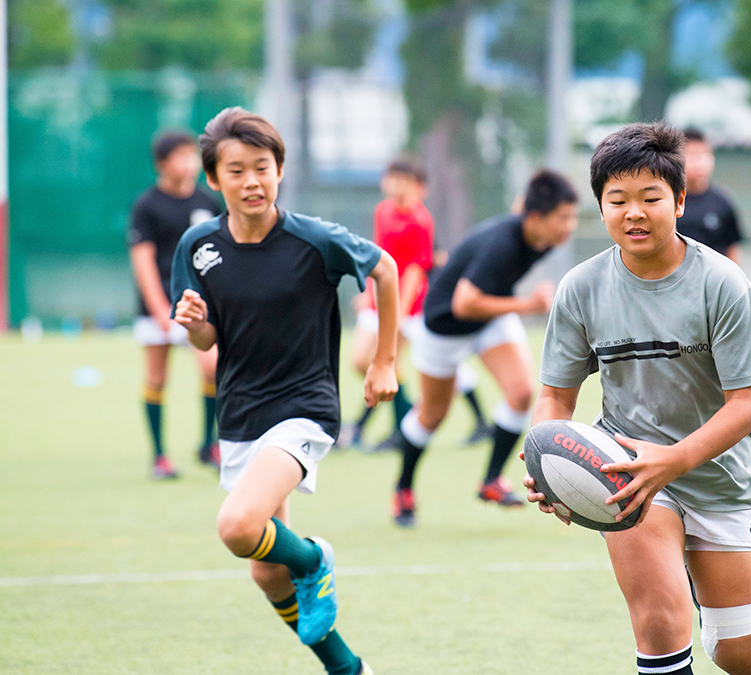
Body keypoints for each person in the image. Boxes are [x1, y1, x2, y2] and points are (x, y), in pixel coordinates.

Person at [525, 122, 751, 675]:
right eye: (617, 200)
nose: (632, 212)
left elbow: (748, 404)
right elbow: (554, 396)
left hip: (719, 475)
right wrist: (545, 459)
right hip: (627, 475)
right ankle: (669, 576)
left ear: (680, 201)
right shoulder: (581, 288)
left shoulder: (723, 283)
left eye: (650, 198)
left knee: (743, 655)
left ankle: (709, 587)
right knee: (661, 627)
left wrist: (677, 459)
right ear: (601, 207)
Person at [172, 107, 396, 675]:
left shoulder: (313, 239)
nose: (252, 181)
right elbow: (205, 342)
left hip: (304, 407)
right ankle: (348, 669)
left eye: (263, 168)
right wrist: (195, 320)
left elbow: (385, 269)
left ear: (280, 171)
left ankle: (315, 558)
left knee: (239, 527)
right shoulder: (198, 247)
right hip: (242, 413)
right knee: (266, 568)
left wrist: (383, 362)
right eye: (237, 170)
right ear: (213, 180)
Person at [390, 170, 578, 527]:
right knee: (432, 415)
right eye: (563, 218)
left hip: (489, 318)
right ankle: (402, 488)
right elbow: (464, 304)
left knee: (522, 393)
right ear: (537, 218)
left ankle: (490, 480)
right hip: (445, 326)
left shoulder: (538, 231)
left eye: (571, 216)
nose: (569, 226)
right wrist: (528, 305)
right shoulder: (501, 244)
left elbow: (520, 205)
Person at [340, 156, 491, 451]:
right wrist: (368, 293)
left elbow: (414, 270)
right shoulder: (382, 211)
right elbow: (378, 258)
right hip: (378, 299)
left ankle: (385, 428)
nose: (395, 185)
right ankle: (396, 418)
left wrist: (397, 312)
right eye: (391, 178)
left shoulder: (421, 220)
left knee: (433, 365)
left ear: (418, 187)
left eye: (403, 180)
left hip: (409, 307)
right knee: (362, 361)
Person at [127, 130, 222, 479]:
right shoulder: (147, 205)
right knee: (157, 377)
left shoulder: (207, 202)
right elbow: (143, 260)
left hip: (197, 304)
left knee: (212, 368)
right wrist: (159, 310)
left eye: (192, 156)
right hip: (159, 309)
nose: (190, 163)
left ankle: (208, 445)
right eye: (181, 157)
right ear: (162, 164)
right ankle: (159, 456)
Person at [674, 127, 744, 265]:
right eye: (693, 155)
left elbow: (732, 250)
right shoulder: (668, 202)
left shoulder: (722, 203)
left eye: (705, 155)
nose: (700, 162)